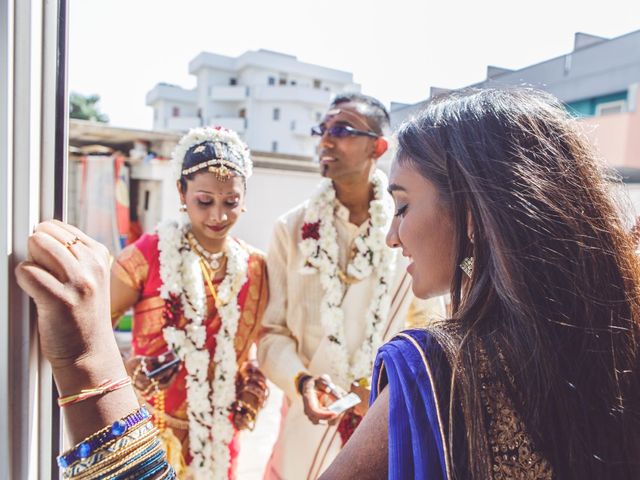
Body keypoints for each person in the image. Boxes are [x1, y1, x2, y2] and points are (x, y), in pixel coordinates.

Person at [319, 88, 640, 479]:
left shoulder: (431, 373)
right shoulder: (619, 342)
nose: (392, 236)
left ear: (471, 213)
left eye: (402, 206)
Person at [257, 92, 439, 479]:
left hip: (384, 416)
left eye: (341, 130)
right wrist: (302, 382)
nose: (326, 140)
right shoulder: (291, 229)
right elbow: (271, 334)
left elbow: (428, 328)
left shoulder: (406, 226)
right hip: (308, 423)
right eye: (321, 130)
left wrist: (379, 389)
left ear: (379, 146)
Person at [110, 126, 269, 478]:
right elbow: (94, 329)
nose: (217, 216)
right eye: (204, 201)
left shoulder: (256, 267)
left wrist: (253, 380)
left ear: (243, 199)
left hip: (219, 434)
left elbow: (250, 344)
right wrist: (129, 368)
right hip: (151, 429)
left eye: (230, 203)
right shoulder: (146, 255)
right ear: (182, 192)